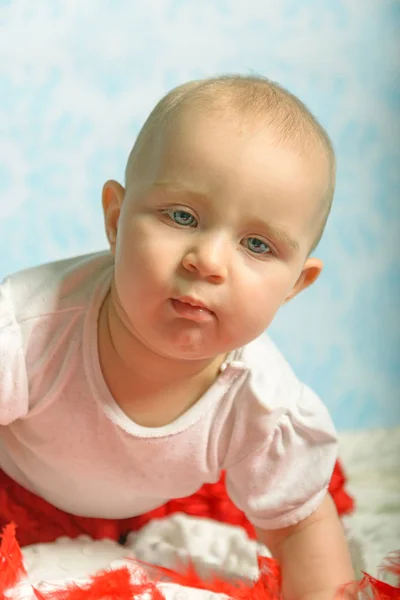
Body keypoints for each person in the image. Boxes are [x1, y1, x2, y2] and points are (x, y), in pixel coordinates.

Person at [0, 75, 354, 599]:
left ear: (295, 285)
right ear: (117, 221)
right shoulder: (28, 329)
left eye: (257, 245)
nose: (208, 261)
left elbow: (298, 526)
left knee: (303, 488)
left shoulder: (263, 402)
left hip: (159, 497)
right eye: (182, 216)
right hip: (17, 490)